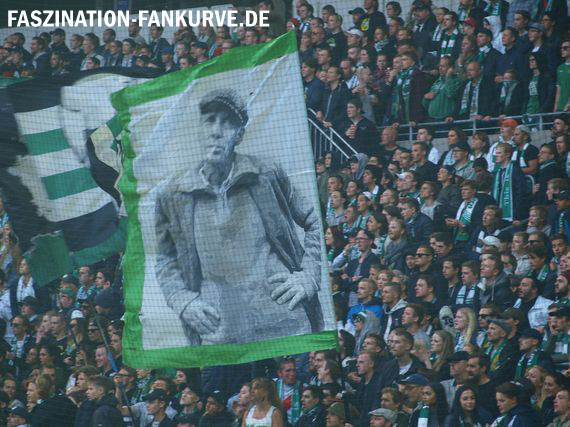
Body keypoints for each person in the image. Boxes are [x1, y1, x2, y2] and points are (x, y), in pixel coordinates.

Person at [155, 89, 325, 346]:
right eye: (209, 120)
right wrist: (182, 300)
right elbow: (164, 257)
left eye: (227, 123)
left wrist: (309, 275)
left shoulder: (266, 173)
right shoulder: (173, 193)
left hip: (285, 324)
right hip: (219, 334)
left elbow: (314, 222)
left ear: (239, 135)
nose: (216, 131)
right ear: (198, 130)